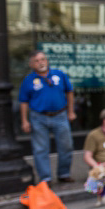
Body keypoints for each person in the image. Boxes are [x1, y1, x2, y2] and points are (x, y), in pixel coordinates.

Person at [18, 50, 75, 185]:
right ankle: (45, 178)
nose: (41, 62)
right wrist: (24, 120)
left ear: (47, 61)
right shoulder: (28, 80)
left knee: (66, 145)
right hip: (38, 117)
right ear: (31, 64)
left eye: (43, 59)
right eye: (37, 61)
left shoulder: (59, 74)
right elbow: (23, 101)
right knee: (41, 149)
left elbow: (69, 92)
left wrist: (71, 111)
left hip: (60, 115)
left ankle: (64, 173)